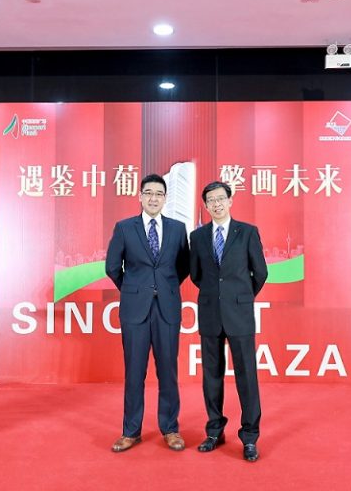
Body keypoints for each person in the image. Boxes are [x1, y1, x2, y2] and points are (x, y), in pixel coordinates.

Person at [105, 173, 190, 453]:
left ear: (165, 198)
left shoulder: (178, 229)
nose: (154, 198)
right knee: (134, 372)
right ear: (140, 196)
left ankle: (171, 428)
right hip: (135, 310)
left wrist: (165, 287)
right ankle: (131, 431)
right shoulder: (124, 228)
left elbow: (184, 267)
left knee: (168, 372)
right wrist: (133, 289)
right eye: (149, 193)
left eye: (159, 194)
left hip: (167, 309)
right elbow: (112, 267)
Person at [189, 181, 268, 462]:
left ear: (230, 201)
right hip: (210, 313)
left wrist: (240, 297)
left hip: (239, 314)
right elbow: (196, 275)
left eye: (221, 198)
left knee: (247, 376)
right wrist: (218, 296)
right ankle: (214, 431)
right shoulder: (197, 236)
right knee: (211, 376)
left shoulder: (247, 232)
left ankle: (250, 436)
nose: (217, 204)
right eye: (211, 200)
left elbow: (260, 272)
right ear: (206, 205)